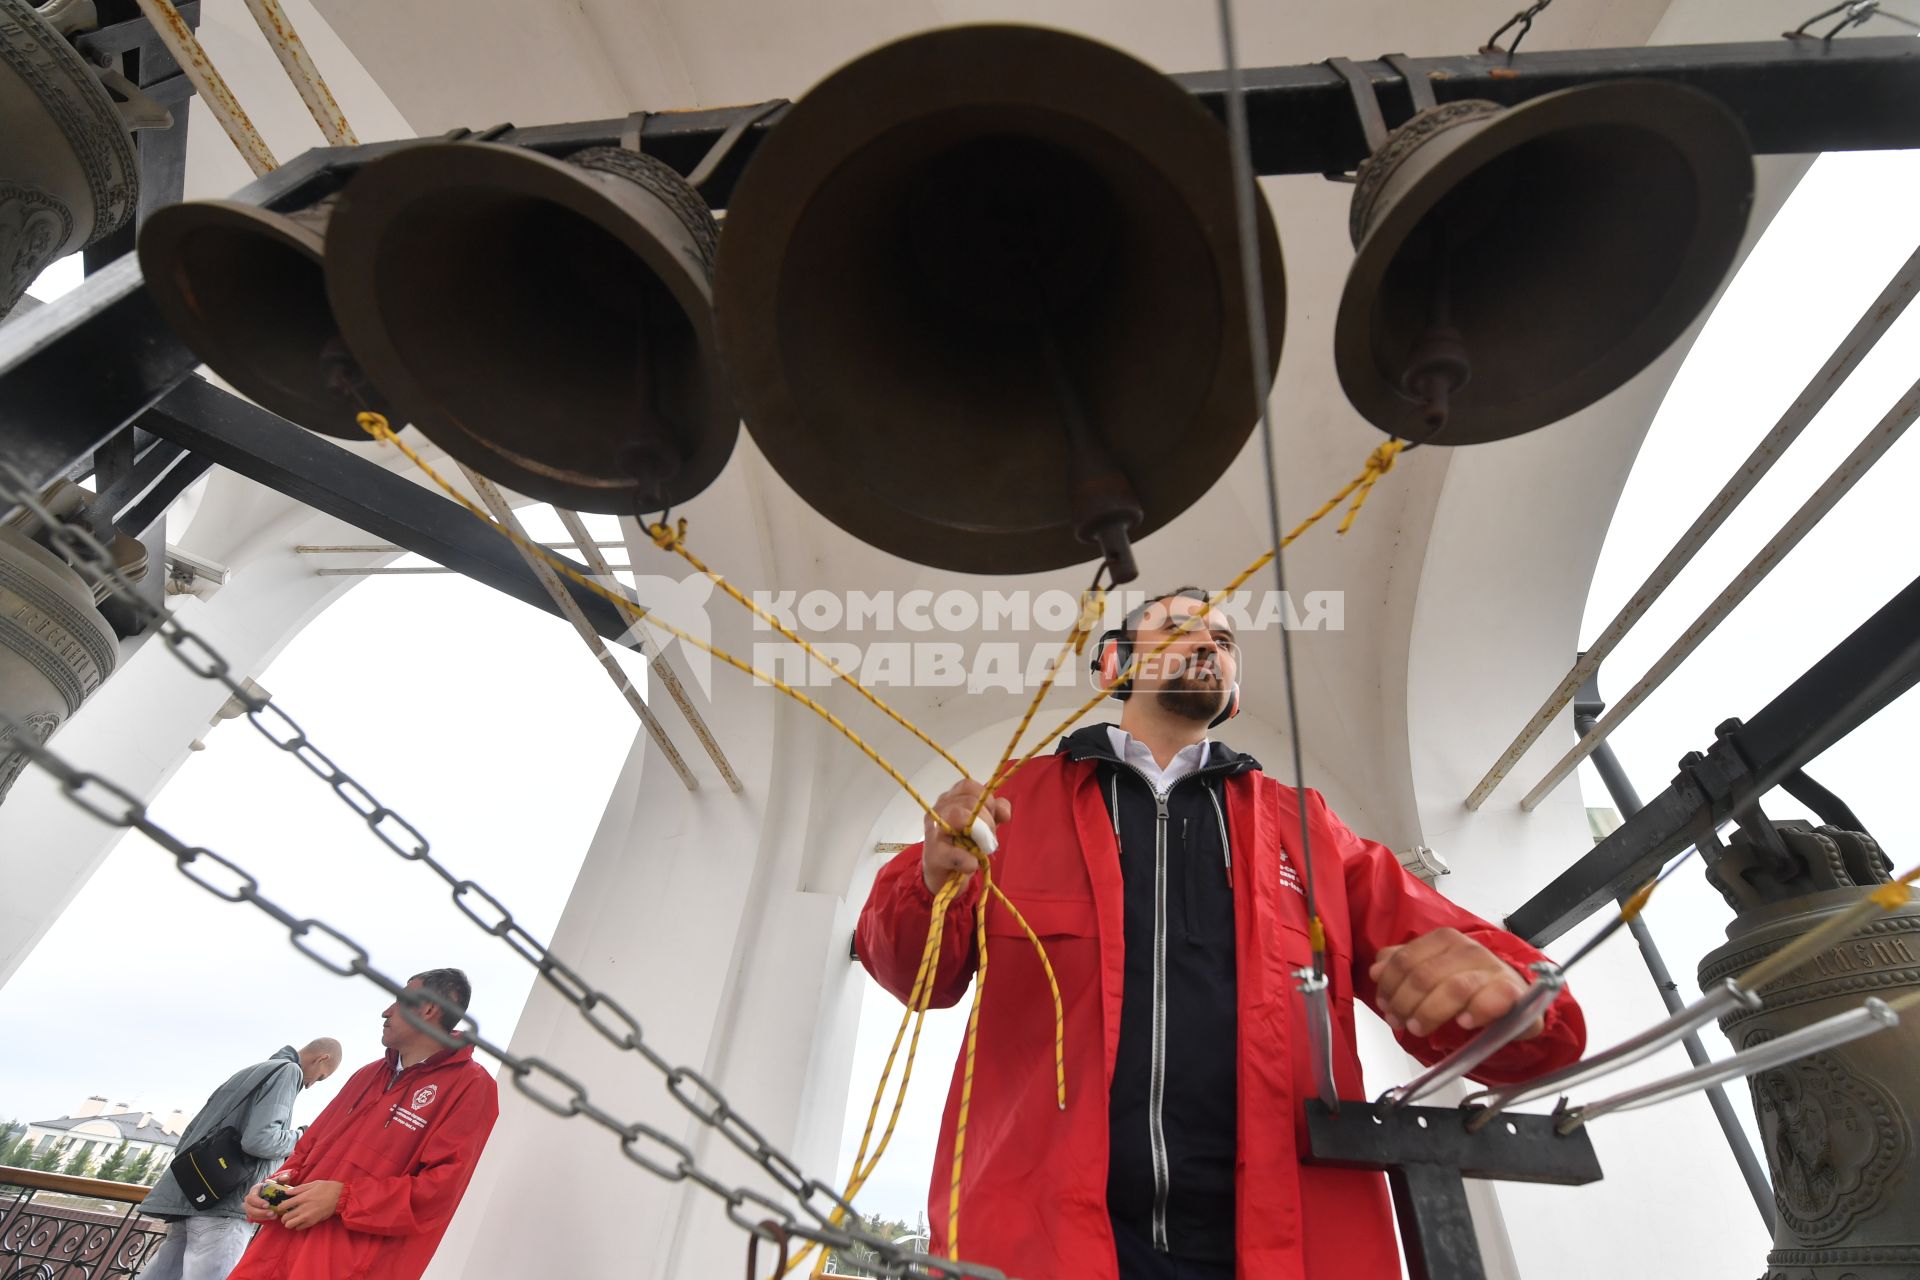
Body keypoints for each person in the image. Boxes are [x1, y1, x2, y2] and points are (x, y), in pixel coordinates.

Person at [856, 588, 1588, 1280]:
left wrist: (1509, 998)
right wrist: (925, 880)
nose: (1209, 641)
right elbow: (910, 972)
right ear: (1117, 663)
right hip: (1045, 1238)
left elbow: (1511, 1009)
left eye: (1225, 638)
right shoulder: (1014, 801)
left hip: (1283, 1240)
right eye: (1179, 628)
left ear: (1232, 686)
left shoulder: (1308, 829)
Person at [227, 969, 499, 1280]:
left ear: (428, 1009)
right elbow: (305, 1150)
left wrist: (343, 1199)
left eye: (400, 1000)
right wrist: (269, 1188)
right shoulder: (367, 1075)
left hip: (345, 1266)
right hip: (272, 1254)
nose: (387, 1011)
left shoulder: (472, 1087)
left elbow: (438, 1192)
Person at [141, 1038, 342, 1280]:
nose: (311, 1085)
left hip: (194, 1194)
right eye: (320, 1077)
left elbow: (190, 1135)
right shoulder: (289, 1072)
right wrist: (302, 1136)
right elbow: (260, 1141)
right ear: (323, 1058)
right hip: (227, 1202)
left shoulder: (251, 1072)